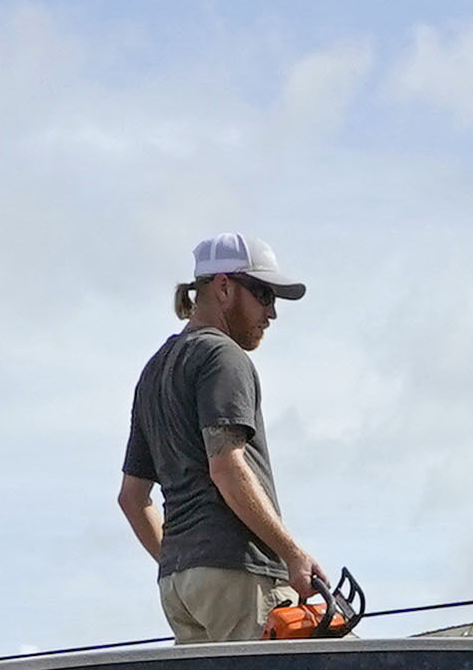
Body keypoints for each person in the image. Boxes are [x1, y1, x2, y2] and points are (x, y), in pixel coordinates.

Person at [117, 233, 330, 643]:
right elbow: (227, 466)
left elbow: (132, 498)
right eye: (264, 294)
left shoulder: (154, 371)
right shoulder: (224, 356)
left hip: (180, 588)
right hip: (239, 572)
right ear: (225, 287)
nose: (272, 312)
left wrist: (182, 562)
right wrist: (292, 554)